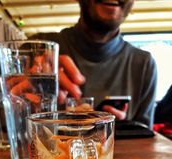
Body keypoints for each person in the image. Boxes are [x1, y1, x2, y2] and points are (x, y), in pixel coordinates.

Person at [30, 0, 157, 129]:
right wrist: (27, 99)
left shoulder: (144, 64)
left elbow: (146, 136)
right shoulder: (35, 49)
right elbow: (12, 129)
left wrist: (125, 128)